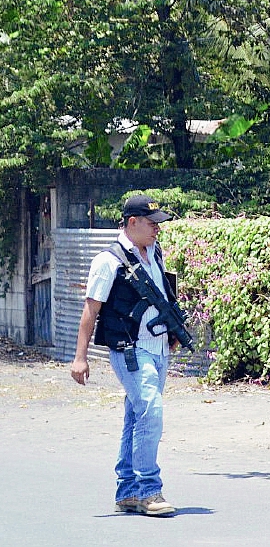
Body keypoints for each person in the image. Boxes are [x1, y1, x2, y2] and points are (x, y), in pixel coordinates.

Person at [69, 194, 181, 517]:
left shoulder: (154, 253)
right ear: (133, 223)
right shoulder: (108, 261)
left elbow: (163, 297)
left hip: (158, 348)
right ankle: (149, 489)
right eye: (151, 223)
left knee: (137, 416)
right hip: (130, 349)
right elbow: (91, 310)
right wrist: (80, 358)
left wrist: (172, 332)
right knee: (151, 410)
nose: (157, 229)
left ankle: (127, 490)